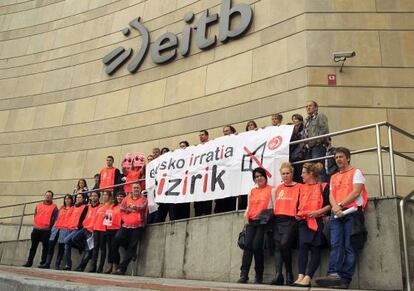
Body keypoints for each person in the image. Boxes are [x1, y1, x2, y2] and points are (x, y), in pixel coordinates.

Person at [315, 147, 368, 289]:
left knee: (350, 247)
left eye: (341, 156)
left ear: (348, 158)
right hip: (337, 214)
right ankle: (333, 275)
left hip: (352, 213)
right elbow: (331, 195)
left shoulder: (356, 172)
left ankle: (345, 279)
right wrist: (336, 207)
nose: (338, 159)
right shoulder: (334, 177)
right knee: (336, 244)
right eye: (336, 157)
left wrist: (339, 205)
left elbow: (356, 192)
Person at [293, 162, 331, 287]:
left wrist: (317, 212)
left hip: (318, 220)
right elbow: (298, 204)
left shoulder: (324, 186)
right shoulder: (301, 187)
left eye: (303, 173)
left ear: (311, 174)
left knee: (315, 248)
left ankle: (308, 277)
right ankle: (300, 276)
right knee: (302, 247)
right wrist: (298, 214)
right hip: (304, 221)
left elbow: (329, 205)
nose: (301, 175)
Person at [238, 167, 273, 284]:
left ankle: (259, 275)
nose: (259, 178)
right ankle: (244, 274)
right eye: (256, 177)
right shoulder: (252, 191)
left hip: (263, 222)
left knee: (257, 246)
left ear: (265, 176)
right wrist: (245, 214)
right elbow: (248, 206)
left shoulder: (272, 190)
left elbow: (273, 207)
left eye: (261, 176)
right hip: (251, 221)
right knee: (247, 245)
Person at [271, 163, 301, 286]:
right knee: (277, 247)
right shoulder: (277, 188)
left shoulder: (299, 187)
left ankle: (289, 273)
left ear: (292, 173)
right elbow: (274, 205)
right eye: (283, 173)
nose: (285, 175)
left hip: (291, 220)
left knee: (284, 244)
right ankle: (278, 275)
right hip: (278, 219)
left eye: (287, 173)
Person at [112, 183, 148, 275]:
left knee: (132, 246)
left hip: (138, 226)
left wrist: (134, 207)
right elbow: (122, 209)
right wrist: (129, 209)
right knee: (117, 239)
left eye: (137, 188)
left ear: (140, 189)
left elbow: (143, 207)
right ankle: (131, 251)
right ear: (131, 189)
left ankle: (121, 269)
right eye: (134, 188)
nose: (136, 189)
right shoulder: (126, 199)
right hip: (126, 225)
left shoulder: (143, 199)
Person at [23, 191, 58, 268]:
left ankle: (43, 263)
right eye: (47, 195)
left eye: (49, 196)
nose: (48, 197)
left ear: (52, 197)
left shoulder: (54, 207)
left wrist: (50, 226)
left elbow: (56, 218)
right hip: (36, 229)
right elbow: (35, 215)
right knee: (33, 247)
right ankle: (29, 262)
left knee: (45, 247)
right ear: (44, 196)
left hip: (46, 230)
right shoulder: (38, 205)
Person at [39, 194, 73, 269]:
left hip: (65, 229)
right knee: (51, 244)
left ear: (71, 200)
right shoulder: (61, 208)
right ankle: (47, 263)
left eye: (69, 199)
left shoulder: (73, 208)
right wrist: (54, 226)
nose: (67, 200)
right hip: (56, 228)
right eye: (66, 199)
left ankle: (57, 264)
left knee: (61, 246)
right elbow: (56, 217)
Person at [71, 191, 101, 272]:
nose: (93, 197)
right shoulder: (88, 207)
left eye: (95, 196)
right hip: (85, 228)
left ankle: (81, 267)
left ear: (98, 197)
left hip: (92, 231)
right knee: (74, 239)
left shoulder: (100, 207)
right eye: (92, 196)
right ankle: (85, 248)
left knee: (88, 250)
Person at [303, 100, 329, 182]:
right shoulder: (306, 120)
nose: (308, 108)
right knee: (310, 169)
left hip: (318, 146)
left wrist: (317, 141)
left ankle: (322, 188)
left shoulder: (320, 116)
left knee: (319, 168)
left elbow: (324, 129)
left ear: (316, 108)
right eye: (306, 106)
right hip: (309, 148)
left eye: (310, 106)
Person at [214, 125, 238, 214]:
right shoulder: (221, 143)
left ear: (232, 131)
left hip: (232, 173)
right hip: (222, 174)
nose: (225, 133)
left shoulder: (237, 138)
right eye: (224, 131)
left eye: (227, 131)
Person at [62, 193, 88, 270]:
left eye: (80, 197)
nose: (78, 199)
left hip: (79, 228)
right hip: (71, 228)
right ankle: (68, 265)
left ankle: (82, 247)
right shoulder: (73, 207)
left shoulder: (85, 207)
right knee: (67, 244)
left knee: (66, 241)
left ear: (83, 199)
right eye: (77, 197)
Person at [89, 191, 113, 273]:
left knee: (102, 249)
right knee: (95, 248)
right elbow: (95, 218)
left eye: (106, 195)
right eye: (104, 195)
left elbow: (110, 218)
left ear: (109, 196)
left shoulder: (111, 206)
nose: (104, 196)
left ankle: (100, 268)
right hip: (96, 229)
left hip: (104, 229)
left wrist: (106, 216)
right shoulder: (100, 206)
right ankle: (93, 267)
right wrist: (93, 229)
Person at [104, 192, 125, 274]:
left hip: (118, 229)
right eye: (118, 196)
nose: (119, 198)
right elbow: (108, 217)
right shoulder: (112, 206)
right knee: (110, 248)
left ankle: (115, 265)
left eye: (121, 196)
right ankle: (110, 265)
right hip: (109, 228)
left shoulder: (124, 206)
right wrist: (105, 216)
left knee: (114, 247)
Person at [194, 130, 213, 216]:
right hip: (199, 176)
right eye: (199, 136)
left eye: (202, 135)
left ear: (207, 136)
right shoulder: (197, 147)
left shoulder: (212, 144)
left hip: (208, 175)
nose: (201, 137)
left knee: (207, 197)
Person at [290, 114, 305, 183]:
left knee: (299, 173)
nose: (294, 121)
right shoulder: (290, 129)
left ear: (301, 121)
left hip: (300, 154)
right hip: (293, 154)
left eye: (296, 119)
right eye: (293, 119)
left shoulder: (304, 129)